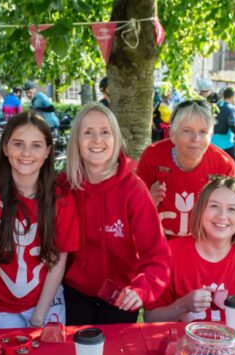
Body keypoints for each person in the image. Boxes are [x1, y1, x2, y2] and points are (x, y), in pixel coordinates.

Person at [58, 103, 171, 325]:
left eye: (105, 132)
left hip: (120, 296)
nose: (97, 139)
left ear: (115, 139)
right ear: (76, 141)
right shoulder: (64, 184)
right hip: (74, 293)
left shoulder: (133, 188)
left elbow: (157, 255)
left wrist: (141, 289)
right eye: (88, 132)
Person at [0, 112, 79, 328]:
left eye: (36, 145)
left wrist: (39, 316)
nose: (26, 153)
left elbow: (58, 262)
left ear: (48, 151)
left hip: (47, 302)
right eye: (18, 144)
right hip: (0, 306)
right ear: (5, 147)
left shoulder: (62, 199)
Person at [144, 176, 235, 325]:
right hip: (182, 345)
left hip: (233, 347)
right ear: (200, 209)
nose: (222, 216)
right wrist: (181, 305)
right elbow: (151, 317)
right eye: (214, 206)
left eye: (232, 209)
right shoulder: (171, 253)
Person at [137, 100, 235, 238]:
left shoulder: (224, 165)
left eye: (203, 132)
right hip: (160, 245)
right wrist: (148, 199)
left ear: (211, 136)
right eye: (187, 131)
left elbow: (230, 220)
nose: (195, 138)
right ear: (172, 134)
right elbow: (133, 211)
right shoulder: (152, 156)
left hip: (202, 246)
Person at [211, 87, 235, 166]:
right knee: (234, 164)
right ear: (233, 96)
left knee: (215, 164)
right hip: (226, 142)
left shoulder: (215, 106)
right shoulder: (231, 108)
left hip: (212, 140)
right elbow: (232, 125)